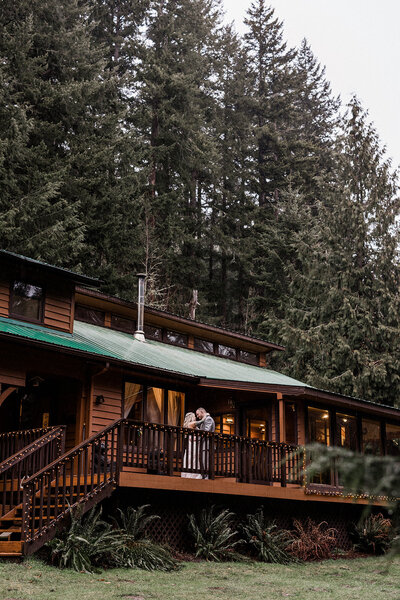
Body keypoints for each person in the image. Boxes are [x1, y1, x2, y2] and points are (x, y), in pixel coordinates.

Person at [181, 412, 203, 479]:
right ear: (190, 418)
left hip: (196, 445)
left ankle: (195, 474)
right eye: (194, 416)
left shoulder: (195, 426)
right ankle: (190, 475)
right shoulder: (190, 424)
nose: (195, 417)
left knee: (195, 459)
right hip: (191, 444)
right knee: (191, 458)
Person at [195, 407, 215, 478]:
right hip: (204, 444)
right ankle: (205, 476)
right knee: (203, 461)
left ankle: (207, 477)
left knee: (205, 461)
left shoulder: (208, 419)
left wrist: (198, 438)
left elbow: (206, 431)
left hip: (207, 444)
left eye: (198, 414)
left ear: (202, 412)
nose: (197, 416)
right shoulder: (204, 420)